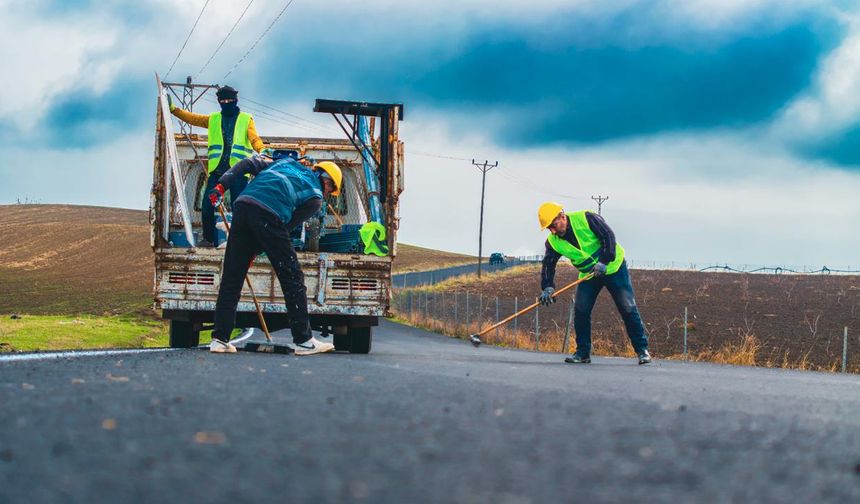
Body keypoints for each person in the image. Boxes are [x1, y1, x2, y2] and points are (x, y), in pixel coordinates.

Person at [206, 155, 344, 354]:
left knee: (232, 277)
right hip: (269, 216)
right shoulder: (315, 198)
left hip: (243, 206)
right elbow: (286, 227)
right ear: (328, 182)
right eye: (331, 190)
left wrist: (221, 186)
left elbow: (248, 163)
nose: (328, 193)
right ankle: (304, 340)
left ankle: (220, 339)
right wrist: (260, 246)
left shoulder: (285, 162)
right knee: (292, 277)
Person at [537, 202, 651, 365]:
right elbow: (548, 264)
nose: (553, 231)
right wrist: (548, 286)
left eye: (553, 225)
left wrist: (604, 261)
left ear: (562, 216)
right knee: (581, 310)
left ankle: (642, 351)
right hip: (589, 275)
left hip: (613, 267)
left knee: (627, 307)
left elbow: (608, 237)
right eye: (549, 228)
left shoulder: (586, 218)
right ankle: (583, 353)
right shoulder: (553, 242)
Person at [168, 86, 264, 247]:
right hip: (218, 172)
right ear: (219, 101)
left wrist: (263, 151)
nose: (226, 103)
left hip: (238, 172)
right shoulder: (213, 119)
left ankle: (239, 242)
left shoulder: (246, 119)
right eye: (222, 101)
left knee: (239, 208)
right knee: (207, 205)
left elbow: (255, 139)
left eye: (229, 100)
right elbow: (193, 118)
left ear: (235, 100)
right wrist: (173, 109)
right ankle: (208, 239)